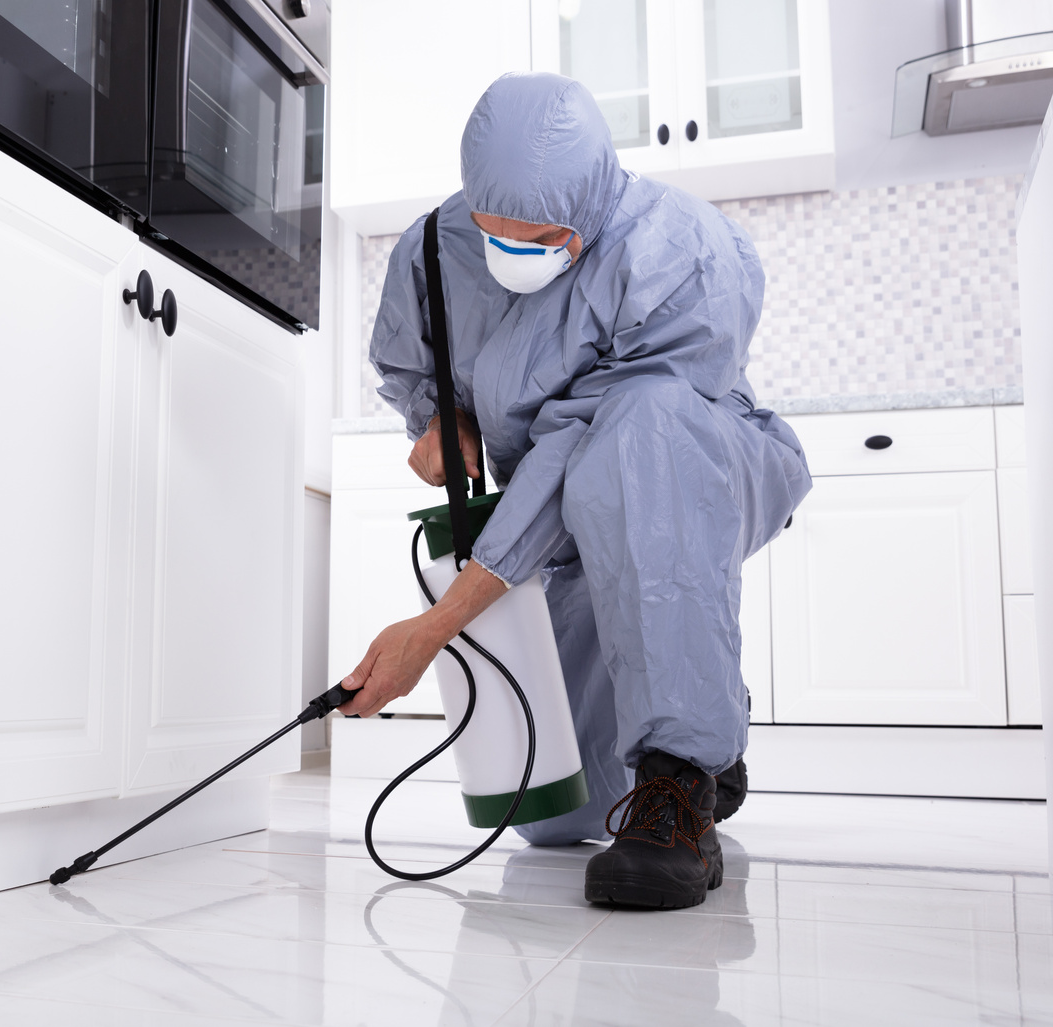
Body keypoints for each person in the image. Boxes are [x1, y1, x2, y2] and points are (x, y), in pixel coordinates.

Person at [337, 72, 812, 910]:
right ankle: (706, 733)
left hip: (692, 467)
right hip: (563, 517)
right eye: (496, 232)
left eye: (546, 237)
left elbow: (583, 449)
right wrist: (441, 418)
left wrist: (440, 623)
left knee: (641, 426)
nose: (517, 252)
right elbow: (415, 367)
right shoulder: (429, 250)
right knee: (552, 816)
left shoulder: (685, 248)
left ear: (591, 203)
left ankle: (679, 776)